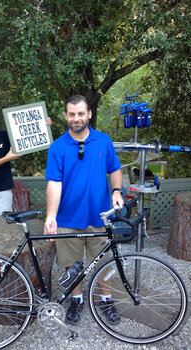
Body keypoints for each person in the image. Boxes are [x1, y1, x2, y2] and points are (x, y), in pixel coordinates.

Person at [44, 95, 124, 325]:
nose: (76, 118)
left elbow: (115, 169)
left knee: (103, 263)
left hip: (99, 216)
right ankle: (76, 299)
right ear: (66, 116)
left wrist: (117, 190)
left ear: (89, 114)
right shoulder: (57, 147)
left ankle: (106, 299)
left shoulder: (103, 140)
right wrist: (51, 216)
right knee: (72, 264)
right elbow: (54, 183)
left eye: (81, 113)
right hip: (68, 218)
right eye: (71, 114)